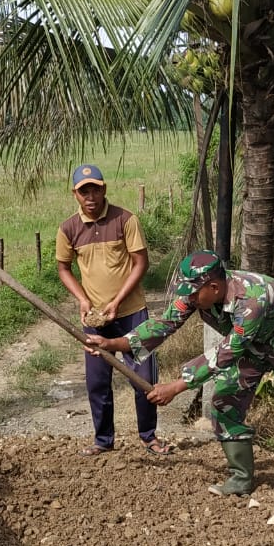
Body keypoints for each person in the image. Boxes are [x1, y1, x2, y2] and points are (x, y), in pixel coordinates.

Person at [84, 250, 274, 515]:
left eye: (194, 294)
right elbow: (164, 324)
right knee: (224, 401)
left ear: (215, 288)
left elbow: (228, 351)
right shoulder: (197, 293)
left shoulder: (251, 298)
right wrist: (113, 343)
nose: (189, 300)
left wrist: (179, 385)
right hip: (250, 345)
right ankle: (241, 479)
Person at [55, 164, 172, 457]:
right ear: (75, 195)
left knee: (143, 379)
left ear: (104, 189)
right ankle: (103, 440)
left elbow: (140, 263)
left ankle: (149, 437)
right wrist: (82, 300)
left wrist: (118, 300)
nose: (90, 196)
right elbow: (63, 268)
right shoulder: (68, 228)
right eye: (84, 191)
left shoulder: (125, 220)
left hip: (132, 313)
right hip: (95, 319)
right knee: (97, 381)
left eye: (95, 189)